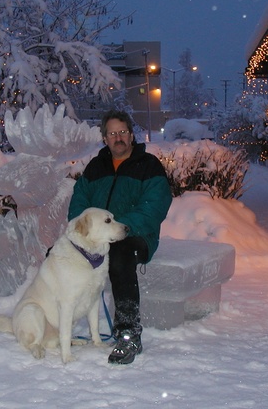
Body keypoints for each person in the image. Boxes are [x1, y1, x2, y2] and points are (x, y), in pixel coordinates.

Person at [68, 110, 172, 364]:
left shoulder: (148, 166)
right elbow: (79, 204)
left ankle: (128, 333)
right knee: (58, 255)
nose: (118, 138)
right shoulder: (96, 167)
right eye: (112, 133)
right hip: (96, 239)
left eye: (123, 132)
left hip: (136, 236)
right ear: (105, 138)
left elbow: (154, 207)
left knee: (120, 255)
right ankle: (56, 324)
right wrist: (87, 235)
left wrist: (119, 229)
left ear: (131, 134)